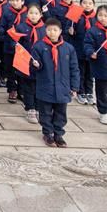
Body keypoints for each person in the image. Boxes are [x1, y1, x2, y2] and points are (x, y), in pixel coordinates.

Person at [30, 18, 80, 147]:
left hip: (63, 87)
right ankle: (48, 133)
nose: (52, 32)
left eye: (55, 30)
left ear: (60, 31)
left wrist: (74, 87)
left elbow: (74, 68)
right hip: (45, 86)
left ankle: (58, 134)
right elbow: (33, 68)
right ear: (45, 31)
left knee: (61, 113)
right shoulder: (39, 46)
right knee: (45, 112)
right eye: (49, 30)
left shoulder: (68, 48)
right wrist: (36, 65)